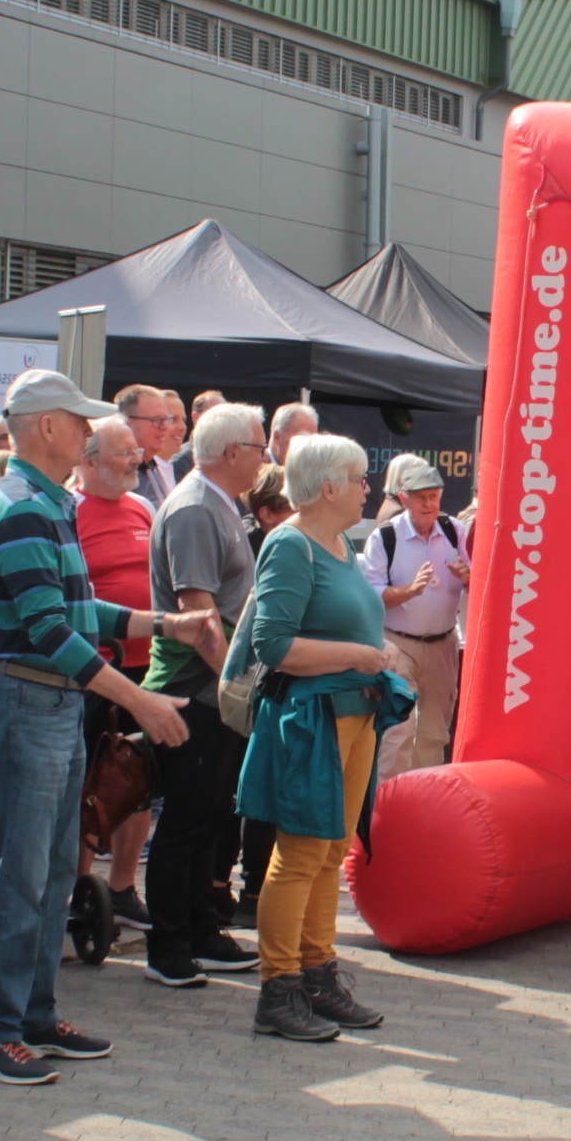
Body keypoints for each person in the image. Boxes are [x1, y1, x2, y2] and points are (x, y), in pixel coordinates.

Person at [0, 371, 214, 1085]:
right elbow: (49, 631)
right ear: (47, 426)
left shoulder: (42, 503)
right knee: (25, 875)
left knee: (48, 871)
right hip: (25, 703)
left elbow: (79, 612)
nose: (93, 435)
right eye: (79, 422)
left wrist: (163, 623)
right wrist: (140, 700)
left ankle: (32, 1016)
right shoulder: (21, 507)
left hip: (45, 706)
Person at [232, 433, 412, 1041]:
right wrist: (361, 656)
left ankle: (316, 975)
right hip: (313, 717)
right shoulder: (290, 545)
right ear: (328, 486)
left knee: (333, 850)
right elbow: (273, 647)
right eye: (361, 477)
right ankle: (278, 990)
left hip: (352, 712)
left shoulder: (337, 543)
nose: (369, 488)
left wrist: (367, 659)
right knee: (303, 852)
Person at [141, 401, 270, 987]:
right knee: (188, 819)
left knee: (212, 814)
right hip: (195, 691)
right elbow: (200, 616)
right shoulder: (195, 509)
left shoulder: (218, 504)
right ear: (232, 452)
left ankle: (199, 929)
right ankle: (169, 945)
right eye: (261, 447)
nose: (267, 459)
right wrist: (233, 689)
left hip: (216, 691)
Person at [73, 415, 160, 930]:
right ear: (89, 461)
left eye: (135, 452)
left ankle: (124, 889)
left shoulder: (142, 506)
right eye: (124, 452)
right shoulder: (70, 512)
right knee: (89, 784)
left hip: (146, 667)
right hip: (94, 671)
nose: (136, 460)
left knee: (138, 780)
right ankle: (75, 891)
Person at [361, 456, 469, 777]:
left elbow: (481, 578)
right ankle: (385, 810)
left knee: (435, 734)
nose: (429, 503)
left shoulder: (455, 530)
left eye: (434, 496)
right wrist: (409, 591)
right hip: (397, 644)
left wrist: (467, 576)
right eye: (421, 497)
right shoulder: (385, 537)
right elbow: (371, 596)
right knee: (399, 731)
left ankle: (423, 809)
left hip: (443, 644)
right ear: (404, 498)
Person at [114, 384, 181, 507]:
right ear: (129, 423)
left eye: (167, 419)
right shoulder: (115, 474)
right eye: (157, 420)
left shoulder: (156, 465)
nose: (165, 426)